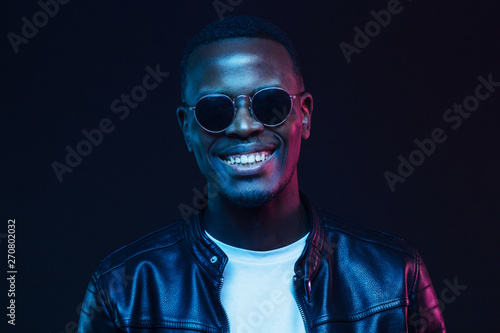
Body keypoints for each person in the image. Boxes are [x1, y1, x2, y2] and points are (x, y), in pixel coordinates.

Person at [78, 16, 446, 332]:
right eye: (215, 110)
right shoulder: (123, 291)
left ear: (304, 115)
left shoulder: (395, 280)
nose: (243, 126)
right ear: (187, 128)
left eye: (270, 104)